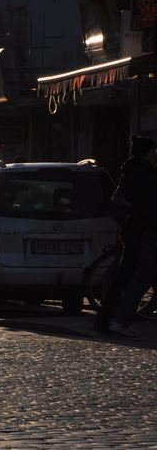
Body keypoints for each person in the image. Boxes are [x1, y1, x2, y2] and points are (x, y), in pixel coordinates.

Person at [95, 135, 157, 336]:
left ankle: (107, 320)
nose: (156, 154)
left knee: (128, 275)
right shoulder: (143, 173)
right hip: (141, 232)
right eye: (154, 151)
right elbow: (146, 205)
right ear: (148, 152)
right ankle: (117, 319)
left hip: (134, 230)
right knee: (136, 276)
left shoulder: (132, 171)